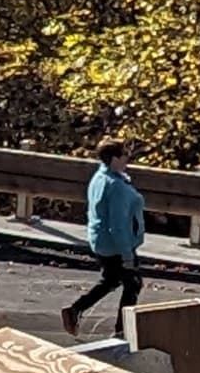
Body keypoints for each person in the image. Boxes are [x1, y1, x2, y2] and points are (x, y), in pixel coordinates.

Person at [62, 139, 149, 333]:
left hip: (101, 241)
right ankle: (122, 331)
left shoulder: (100, 177)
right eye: (124, 155)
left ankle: (75, 310)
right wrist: (127, 254)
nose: (128, 158)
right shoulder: (115, 186)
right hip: (116, 244)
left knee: (112, 280)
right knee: (132, 283)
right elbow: (118, 225)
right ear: (114, 159)